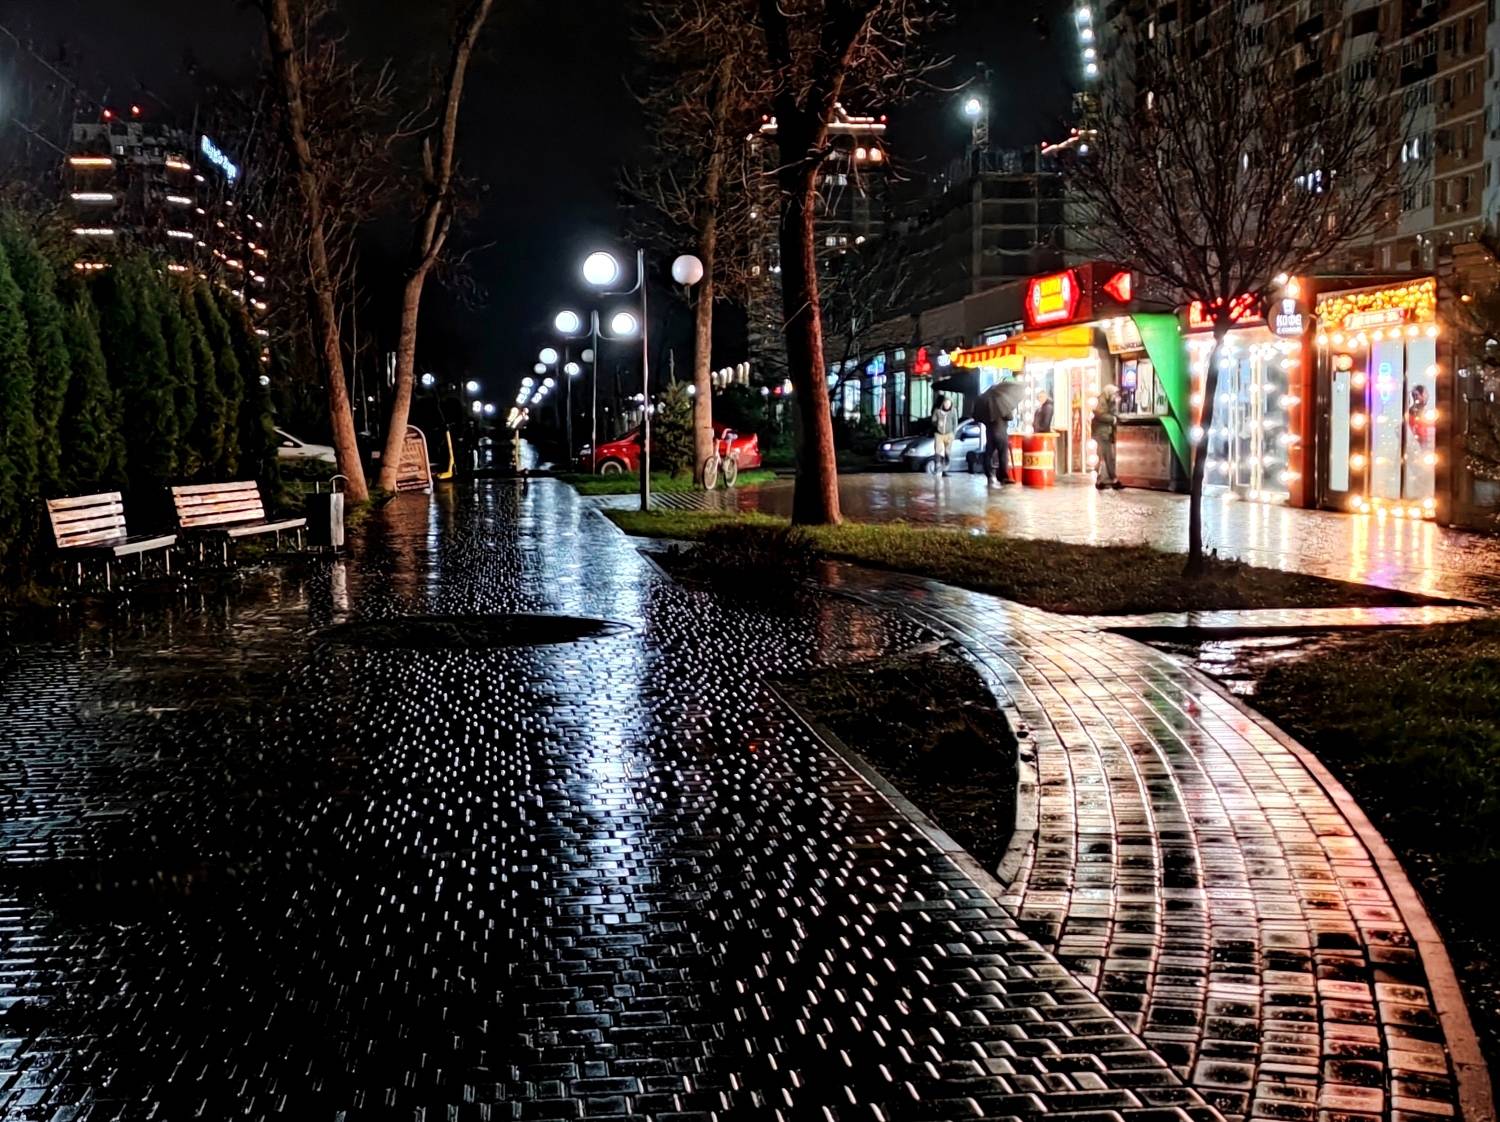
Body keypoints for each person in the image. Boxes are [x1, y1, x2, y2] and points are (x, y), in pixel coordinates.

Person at [1092, 384, 1124, 490]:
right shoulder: (1101, 401)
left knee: (1104, 457)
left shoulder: (1107, 401)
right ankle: (1111, 479)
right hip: (1101, 433)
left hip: (1105, 433)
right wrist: (1113, 419)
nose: (1115, 396)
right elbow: (1100, 415)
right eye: (1114, 394)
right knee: (1107, 456)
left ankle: (1102, 480)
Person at [930, 394, 958, 472]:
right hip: (939, 434)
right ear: (943, 403)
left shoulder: (953, 411)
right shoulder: (937, 411)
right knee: (938, 450)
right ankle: (938, 465)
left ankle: (946, 464)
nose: (947, 405)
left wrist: (953, 434)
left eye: (949, 403)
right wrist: (937, 423)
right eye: (946, 403)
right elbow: (933, 421)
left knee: (947, 451)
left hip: (949, 434)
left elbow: (955, 423)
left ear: (951, 404)